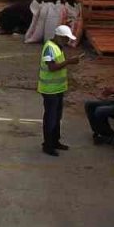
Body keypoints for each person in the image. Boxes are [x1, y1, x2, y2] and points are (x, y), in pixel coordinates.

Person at [37, 24, 81, 156]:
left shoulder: (57, 47)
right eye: (66, 38)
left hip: (58, 89)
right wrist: (68, 62)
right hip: (50, 90)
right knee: (51, 118)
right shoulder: (49, 48)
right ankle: (48, 145)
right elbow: (51, 67)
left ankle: (55, 141)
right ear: (59, 37)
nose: (68, 41)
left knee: (57, 117)